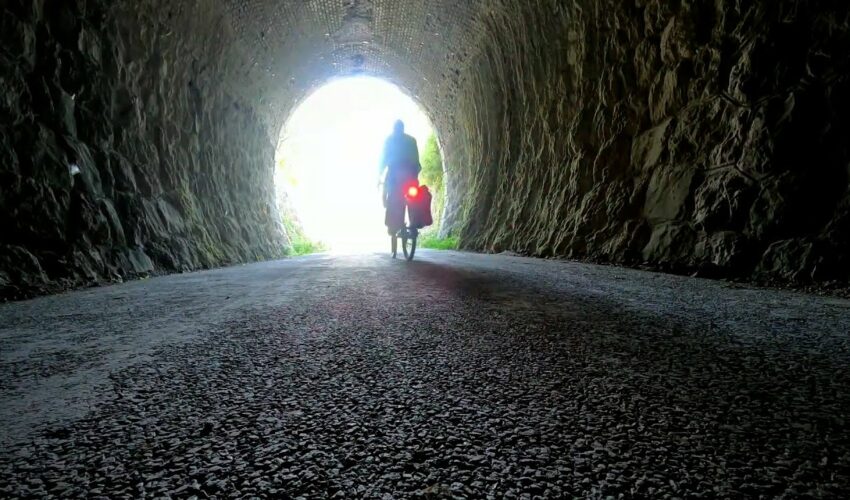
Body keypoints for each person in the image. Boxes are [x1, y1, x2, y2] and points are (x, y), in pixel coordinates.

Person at [379, 120, 420, 233]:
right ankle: (413, 224)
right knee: (413, 197)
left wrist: (380, 175)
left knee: (392, 195)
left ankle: (394, 225)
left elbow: (383, 160)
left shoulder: (389, 140)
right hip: (409, 175)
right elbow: (416, 161)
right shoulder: (411, 140)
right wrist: (415, 174)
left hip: (396, 175)